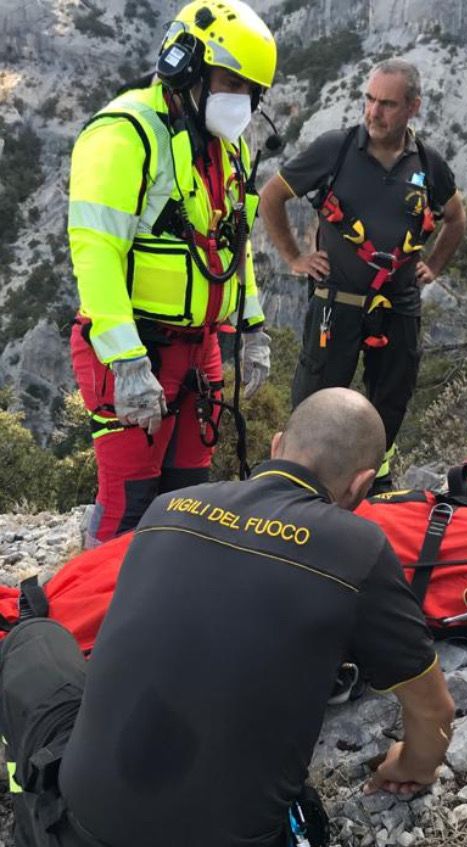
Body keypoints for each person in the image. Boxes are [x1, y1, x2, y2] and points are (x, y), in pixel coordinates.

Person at [0, 388, 455, 846]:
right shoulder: (361, 549)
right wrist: (411, 764)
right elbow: (433, 710)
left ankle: (28, 810)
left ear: (276, 445)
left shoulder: (168, 507)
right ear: (362, 484)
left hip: (76, 830)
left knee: (34, 638)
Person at [69, 0, 277, 548]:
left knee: (188, 498)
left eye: (250, 89)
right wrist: (127, 361)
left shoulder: (223, 148)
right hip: (139, 347)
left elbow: (234, 246)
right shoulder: (125, 133)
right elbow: (95, 251)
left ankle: (166, 611)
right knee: (130, 504)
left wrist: (251, 326)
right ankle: (96, 624)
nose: (241, 99)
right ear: (187, 63)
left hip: (200, 347)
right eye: (230, 80)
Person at [260, 58, 467, 493]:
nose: (374, 112)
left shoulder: (428, 164)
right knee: (314, 404)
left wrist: (436, 264)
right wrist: (295, 257)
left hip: (398, 308)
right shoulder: (335, 150)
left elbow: (455, 218)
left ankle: (373, 490)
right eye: (369, 100)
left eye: (388, 104)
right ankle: (298, 491)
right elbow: (272, 197)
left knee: (389, 403)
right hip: (337, 308)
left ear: (413, 107)